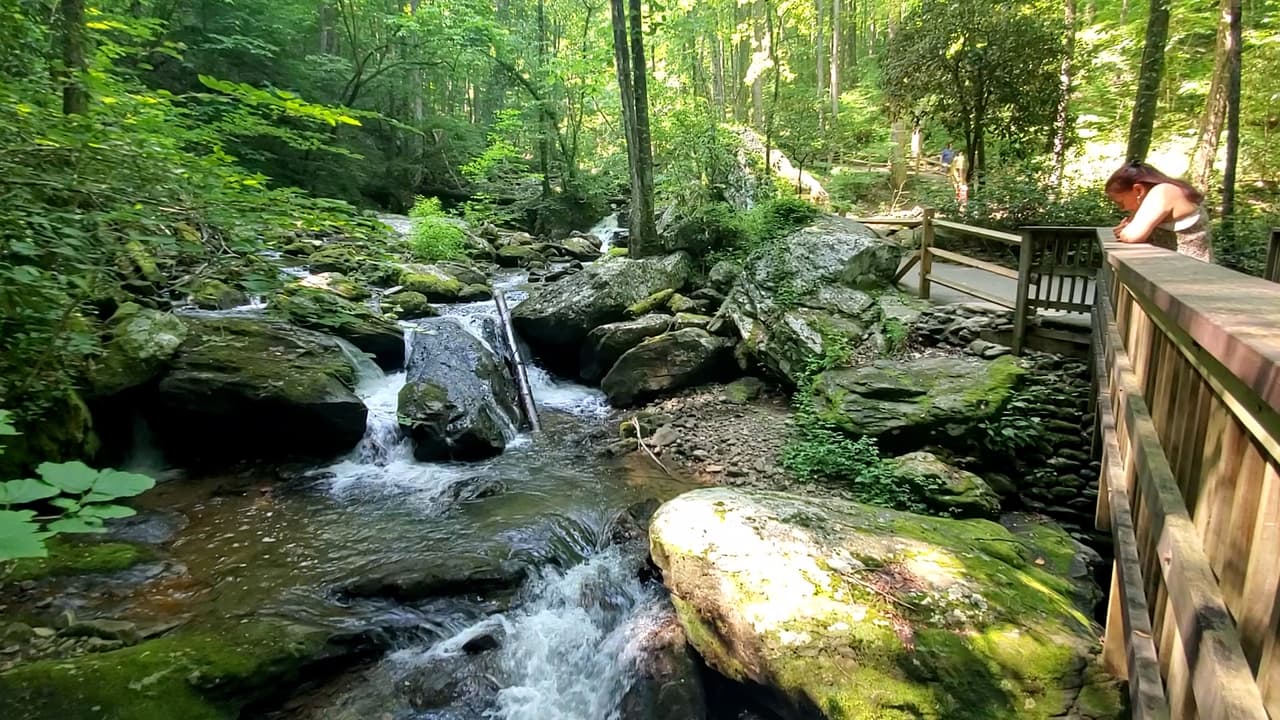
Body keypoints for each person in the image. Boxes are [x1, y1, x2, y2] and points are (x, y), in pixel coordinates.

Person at [1104, 161, 1213, 263]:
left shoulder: (1164, 191)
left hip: (1194, 272)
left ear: (1138, 190)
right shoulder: (1159, 197)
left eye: (1121, 203)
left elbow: (1131, 236)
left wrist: (1125, 231)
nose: (1122, 209)